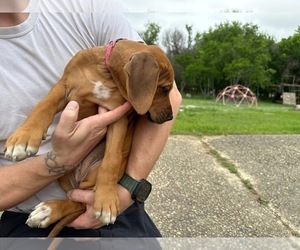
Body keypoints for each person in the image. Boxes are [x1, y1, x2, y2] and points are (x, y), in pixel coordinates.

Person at [0, 0, 182, 238]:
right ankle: (68, 205)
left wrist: (126, 189)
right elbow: (61, 91)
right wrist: (61, 159)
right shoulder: (83, 63)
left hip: (112, 197)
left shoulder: (85, 7)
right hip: (25, 214)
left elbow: (162, 89)